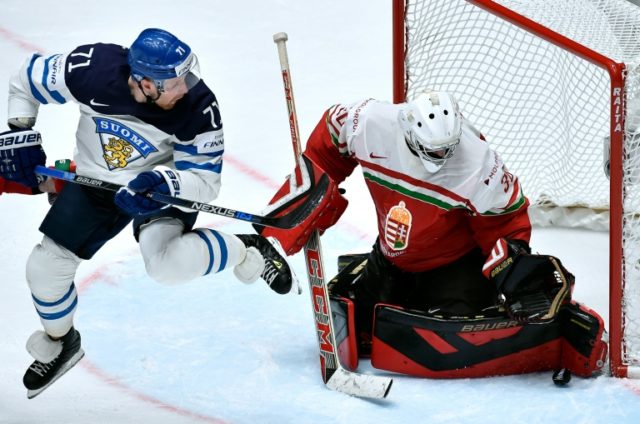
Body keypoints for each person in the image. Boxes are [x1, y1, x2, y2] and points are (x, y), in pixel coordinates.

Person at [2, 28, 297, 399]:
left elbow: (205, 183)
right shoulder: (90, 68)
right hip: (96, 182)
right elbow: (25, 80)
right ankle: (61, 342)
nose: (185, 87)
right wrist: (18, 131)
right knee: (43, 269)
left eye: (187, 75)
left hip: (160, 187)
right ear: (144, 83)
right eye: (174, 82)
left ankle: (245, 249)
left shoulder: (199, 108)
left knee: (166, 265)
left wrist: (165, 183)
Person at [257, 90, 607, 381]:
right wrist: (309, 195)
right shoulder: (371, 123)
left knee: (443, 330)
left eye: (447, 149)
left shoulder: (478, 162)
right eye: (432, 149)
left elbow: (506, 221)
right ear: (408, 132)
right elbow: (330, 139)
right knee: (365, 328)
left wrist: (511, 266)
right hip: (392, 256)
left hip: (453, 263)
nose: (440, 157)